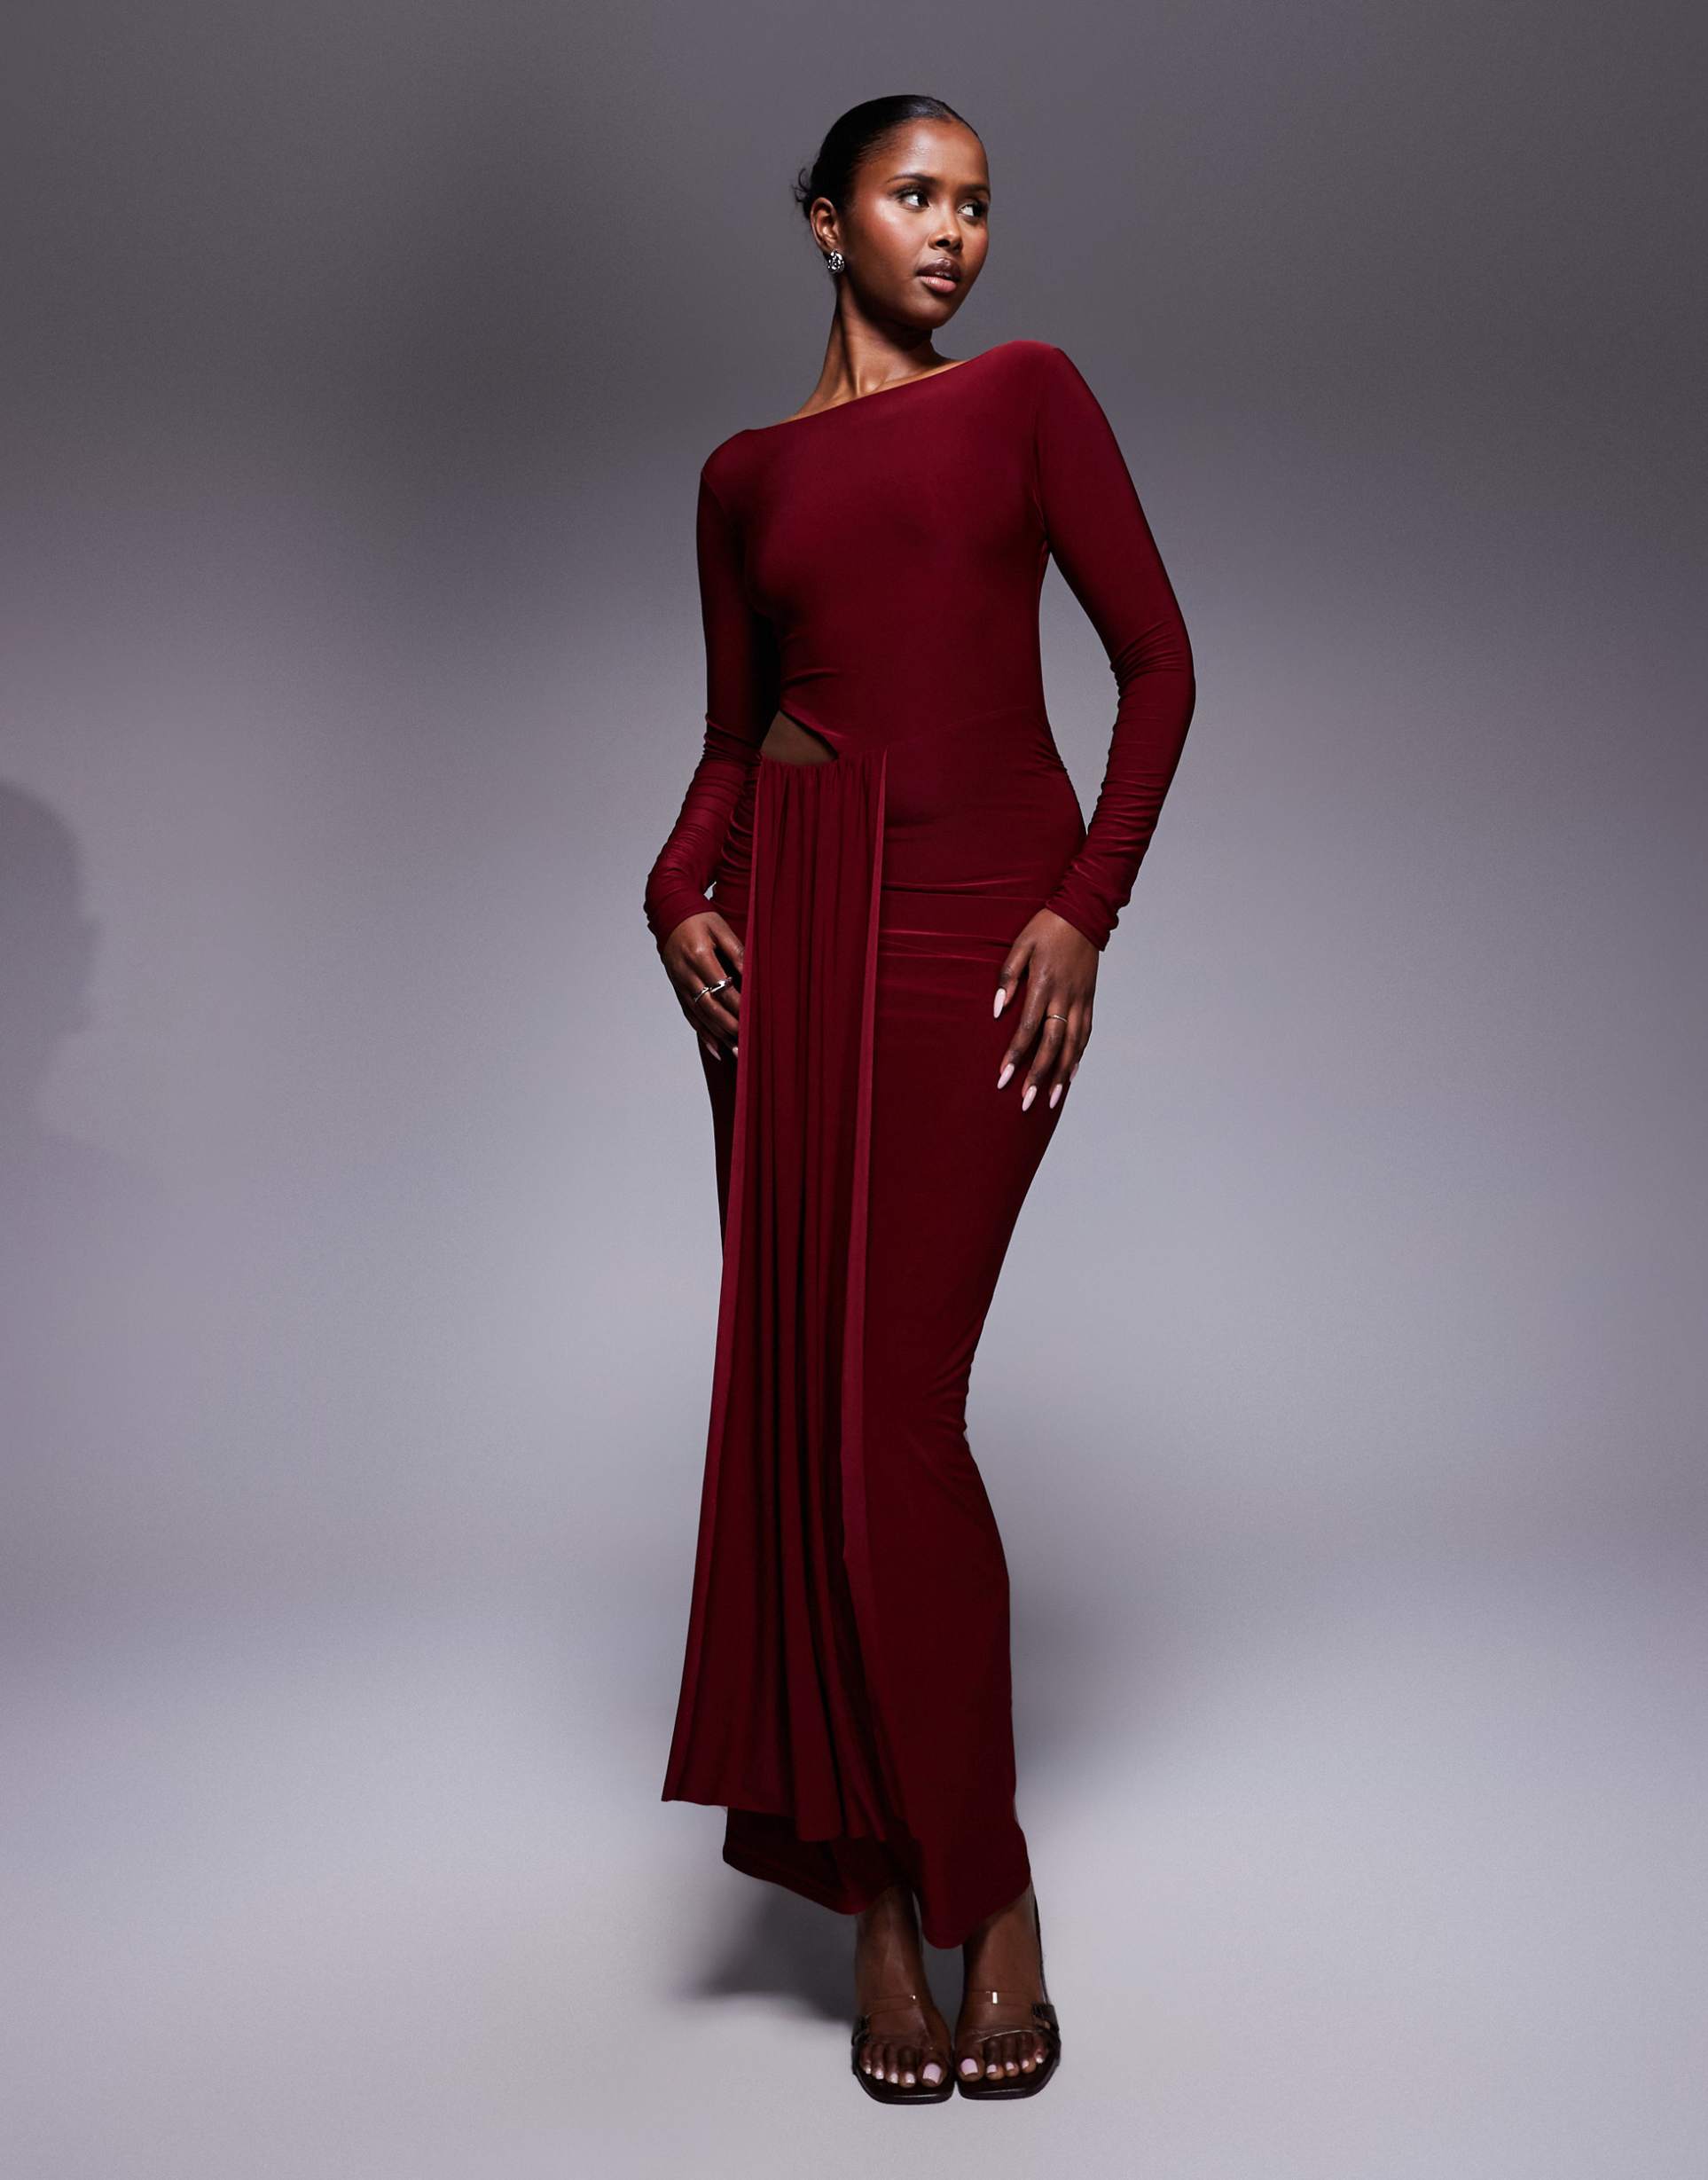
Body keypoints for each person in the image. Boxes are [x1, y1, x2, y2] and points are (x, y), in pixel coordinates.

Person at [642, 93, 1196, 2104]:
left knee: (893, 1412)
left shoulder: (1028, 397)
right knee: (810, 1417)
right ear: (827, 221)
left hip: (978, 922)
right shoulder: (741, 476)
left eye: (973, 203)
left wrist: (1083, 907)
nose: (953, 232)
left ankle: (993, 1885)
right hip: (790, 933)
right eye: (912, 196)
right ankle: (875, 1903)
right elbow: (732, 736)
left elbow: (1158, 667)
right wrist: (670, 887)